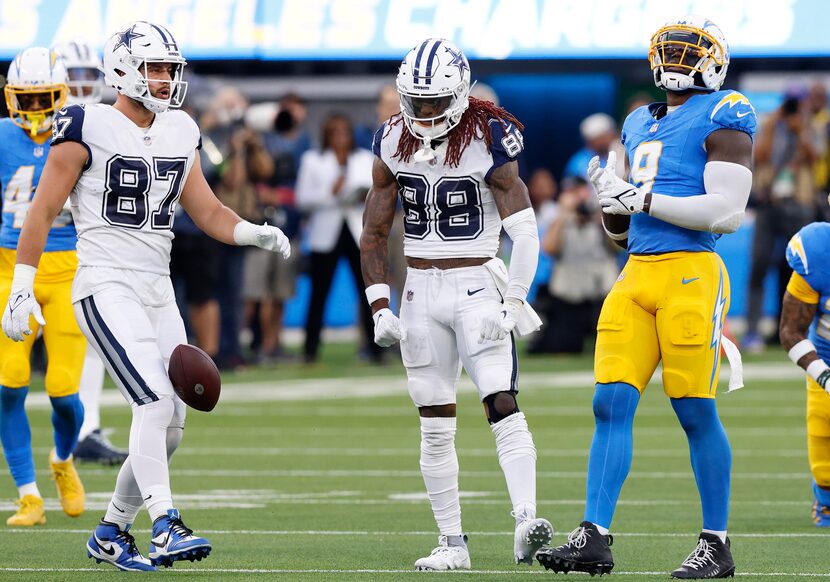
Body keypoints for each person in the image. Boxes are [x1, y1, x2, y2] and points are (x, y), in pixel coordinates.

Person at [1, 21, 290, 571]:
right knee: (153, 401)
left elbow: (205, 209)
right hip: (103, 284)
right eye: (155, 68)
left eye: (169, 69)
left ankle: (111, 530)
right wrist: (21, 288)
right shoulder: (85, 122)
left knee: (173, 421)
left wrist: (251, 231)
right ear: (123, 70)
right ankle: (165, 524)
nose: (165, 79)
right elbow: (41, 210)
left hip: (157, 291)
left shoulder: (181, 128)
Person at [536, 16, 755, 579]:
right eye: (672, 51)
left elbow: (727, 213)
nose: (679, 61)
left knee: (693, 408)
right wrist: (611, 200)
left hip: (691, 272)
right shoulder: (635, 122)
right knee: (609, 403)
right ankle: (594, 535)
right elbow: (621, 230)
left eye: (690, 51)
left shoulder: (726, 110)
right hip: (636, 272)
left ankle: (716, 543)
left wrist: (641, 198)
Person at [360, 38, 552, 570]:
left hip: (476, 284)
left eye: (434, 101)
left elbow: (526, 231)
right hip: (419, 290)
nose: (423, 112)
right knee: (434, 421)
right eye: (415, 100)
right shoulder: (391, 139)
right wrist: (380, 305)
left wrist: (513, 302)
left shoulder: (489, 135)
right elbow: (374, 231)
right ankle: (451, 543)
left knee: (501, 400)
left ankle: (525, 521)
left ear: (460, 94)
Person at [0, 47, 86, 526]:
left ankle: (62, 460)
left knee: (61, 388)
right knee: (9, 381)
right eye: (25, 100)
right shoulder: (0, 137)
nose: (34, 111)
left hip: (69, 269)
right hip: (10, 271)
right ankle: (28, 494)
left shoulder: (78, 133)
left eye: (43, 99)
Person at [53, 38, 129, 466]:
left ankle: (85, 428)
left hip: (82, 252)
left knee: (91, 342)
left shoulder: (99, 122)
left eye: (87, 75)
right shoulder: (35, 124)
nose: (81, 84)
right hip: (33, 254)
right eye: (73, 75)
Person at [296, 113, 379, 363]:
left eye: (345, 131)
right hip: (326, 231)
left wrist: (358, 195)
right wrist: (329, 194)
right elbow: (302, 199)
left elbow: (377, 192)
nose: (341, 137)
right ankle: (310, 349)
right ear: (326, 135)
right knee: (319, 293)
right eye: (335, 132)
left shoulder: (364, 158)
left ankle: (376, 349)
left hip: (356, 229)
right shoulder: (313, 160)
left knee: (368, 291)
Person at [744, 86, 820, 351]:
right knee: (759, 264)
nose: (792, 109)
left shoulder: (812, 126)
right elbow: (761, 156)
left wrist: (800, 131)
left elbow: (816, 157)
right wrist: (774, 125)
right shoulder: (770, 126)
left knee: (802, 269)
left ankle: (801, 330)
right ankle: (753, 331)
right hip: (769, 204)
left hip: (799, 204)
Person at [780, 216, 830, 526]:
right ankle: (825, 500)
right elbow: (790, 331)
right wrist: (825, 376)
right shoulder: (819, 249)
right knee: (824, 423)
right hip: (826, 355)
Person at [537, 177, 617, 354]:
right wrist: (564, 215)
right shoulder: (561, 219)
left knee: (610, 345)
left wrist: (602, 218)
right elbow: (549, 248)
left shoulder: (600, 214)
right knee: (561, 346)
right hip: (569, 296)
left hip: (600, 294)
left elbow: (617, 247)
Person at [562, 113, 625, 182]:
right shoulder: (579, 162)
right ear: (591, 141)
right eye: (602, 137)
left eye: (610, 135)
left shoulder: (621, 151)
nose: (608, 139)